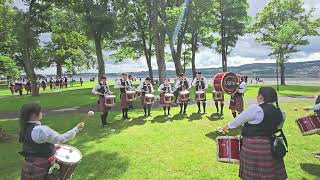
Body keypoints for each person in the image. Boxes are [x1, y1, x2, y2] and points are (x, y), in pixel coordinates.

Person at [221, 86, 287, 180]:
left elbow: (238, 121)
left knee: (252, 176)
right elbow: (278, 128)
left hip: (253, 148)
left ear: (261, 96)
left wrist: (226, 126)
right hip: (271, 147)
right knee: (270, 175)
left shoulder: (255, 109)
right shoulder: (281, 112)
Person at [19, 103, 84, 180]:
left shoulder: (24, 128)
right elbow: (61, 138)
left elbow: (33, 144)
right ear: (34, 115)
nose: (41, 113)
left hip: (29, 164)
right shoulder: (41, 130)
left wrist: (53, 146)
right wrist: (76, 129)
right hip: (43, 166)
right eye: (40, 111)